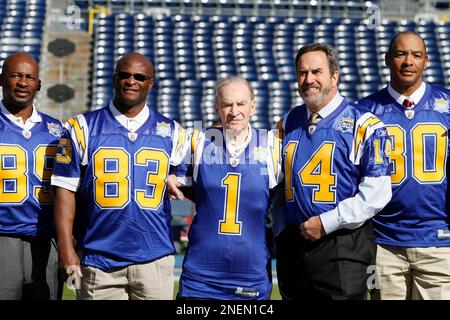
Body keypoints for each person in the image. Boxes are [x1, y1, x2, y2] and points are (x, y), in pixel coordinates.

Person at [51, 52, 187, 300]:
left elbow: (188, 178)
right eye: (124, 75)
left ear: (150, 83)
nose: (131, 81)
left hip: (154, 258)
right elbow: (64, 192)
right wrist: (66, 250)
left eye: (139, 76)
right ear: (114, 79)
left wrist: (173, 176)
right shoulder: (81, 127)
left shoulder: (173, 131)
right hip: (98, 260)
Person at [276, 43, 392, 300]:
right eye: (302, 73)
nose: (309, 80)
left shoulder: (366, 124)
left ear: (335, 76)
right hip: (294, 245)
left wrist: (327, 222)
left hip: (343, 245)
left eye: (317, 72)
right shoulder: (288, 121)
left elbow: (377, 194)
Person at [167, 76, 282, 299]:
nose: (234, 111)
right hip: (201, 275)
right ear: (216, 107)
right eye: (227, 104)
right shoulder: (197, 142)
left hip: (251, 273)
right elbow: (167, 173)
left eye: (241, 104)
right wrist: (169, 177)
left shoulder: (272, 145)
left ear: (253, 106)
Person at [358, 31, 450, 299]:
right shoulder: (364, 111)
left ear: (426, 61)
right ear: (387, 59)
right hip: (383, 242)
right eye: (400, 54)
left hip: (439, 240)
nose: (408, 61)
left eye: (416, 55)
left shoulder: (447, 105)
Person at [0, 52, 63, 300]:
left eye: (29, 77)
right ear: (2, 79)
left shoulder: (58, 130)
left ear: (39, 84)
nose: (23, 82)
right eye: (15, 75)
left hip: (45, 239)